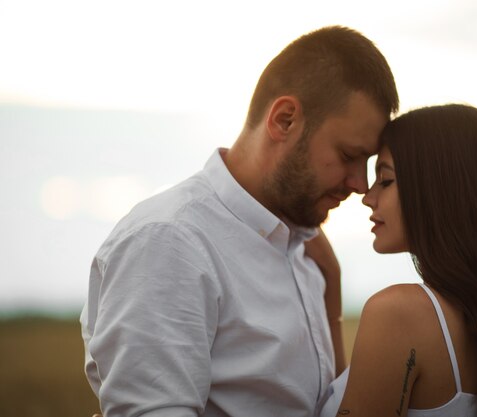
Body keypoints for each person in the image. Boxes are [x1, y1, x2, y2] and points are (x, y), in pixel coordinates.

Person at [80, 26, 398, 417]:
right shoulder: (170, 241)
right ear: (284, 120)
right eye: (349, 154)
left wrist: (331, 285)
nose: (358, 184)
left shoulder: (301, 248)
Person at [316, 104, 477, 417]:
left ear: (439, 189)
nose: (367, 196)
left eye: (385, 180)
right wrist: (331, 279)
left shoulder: (400, 312)